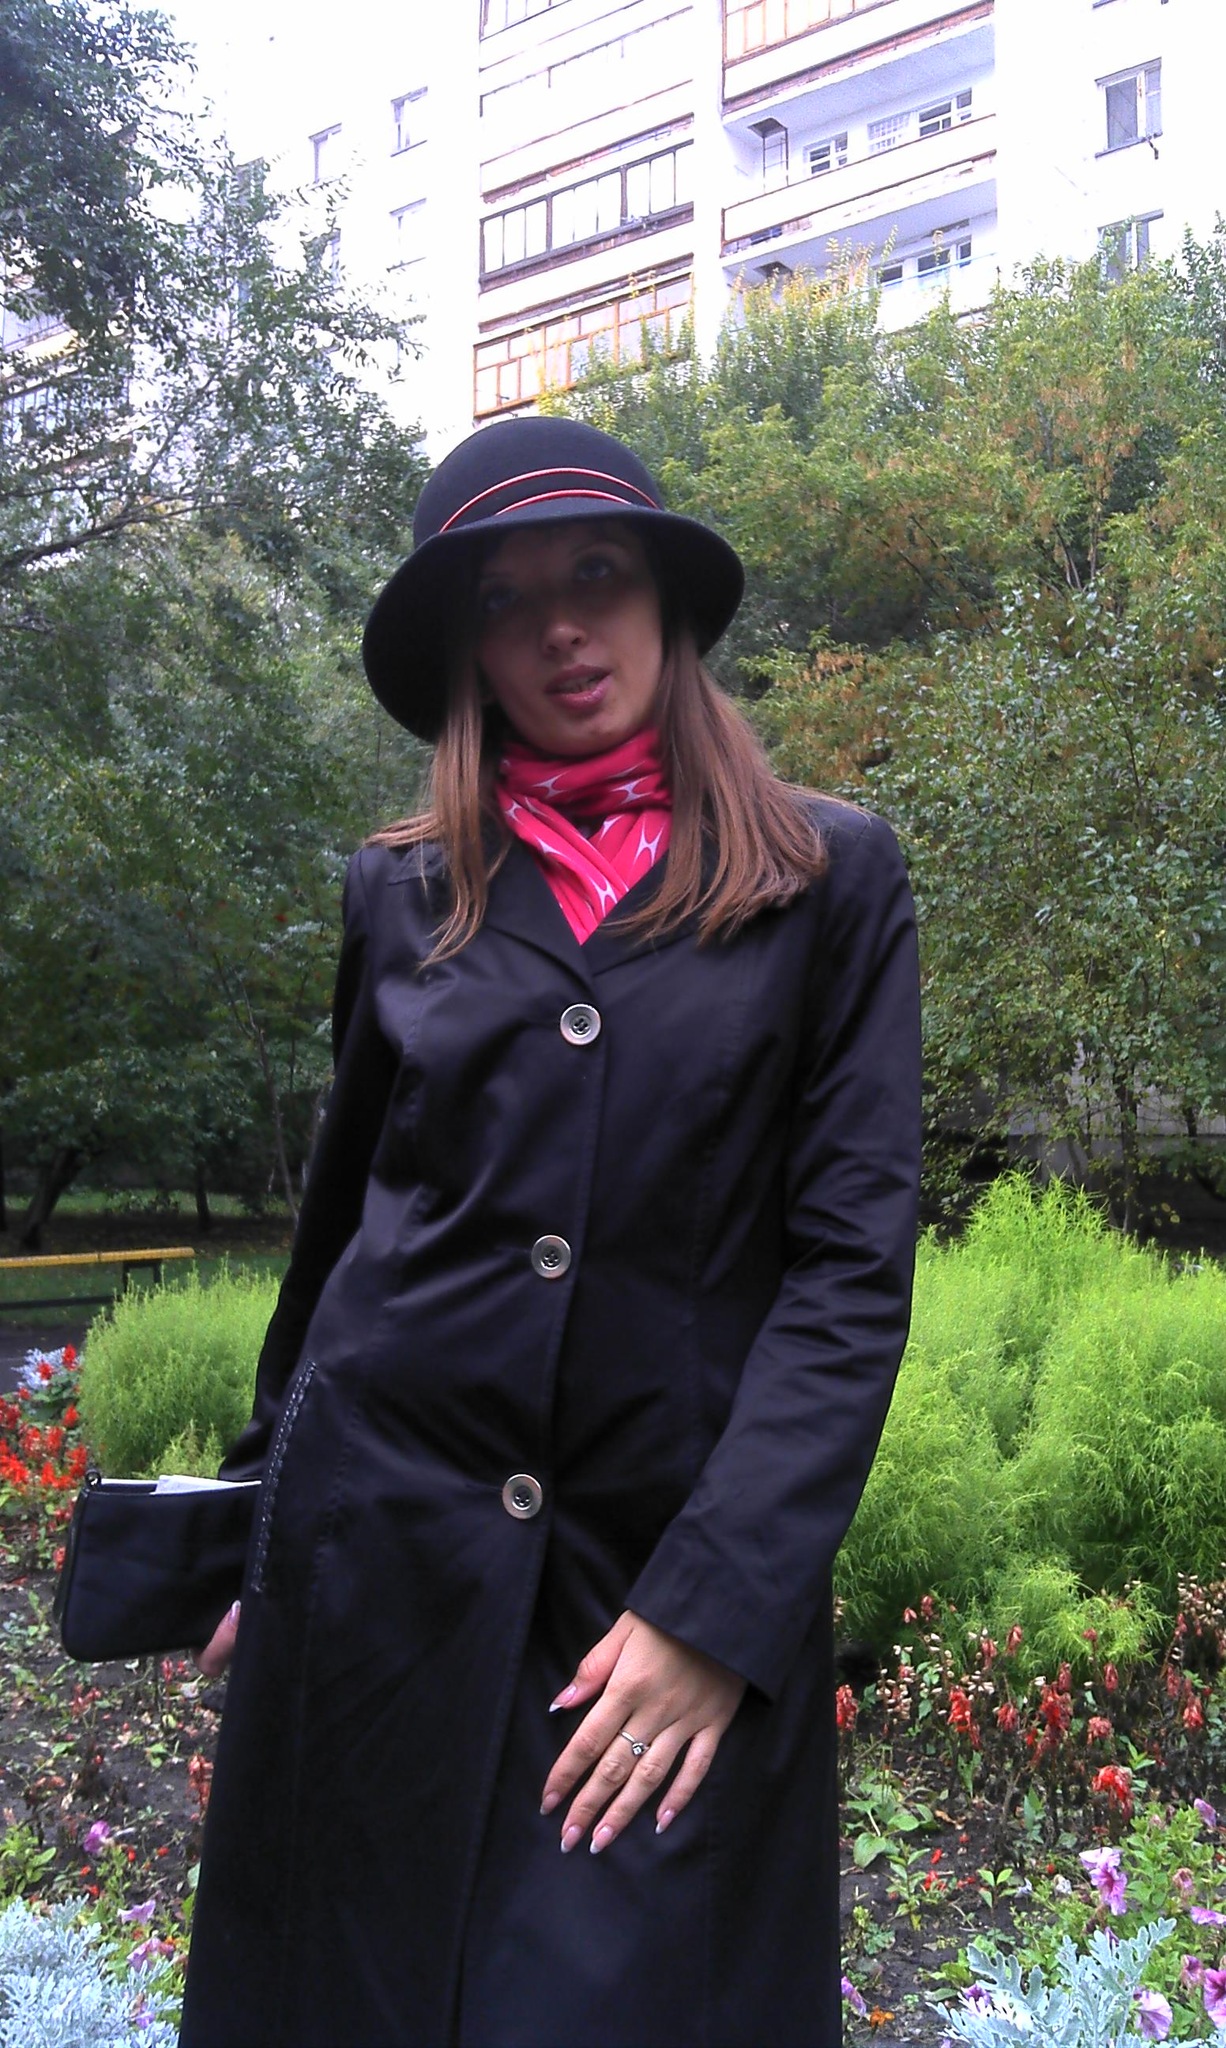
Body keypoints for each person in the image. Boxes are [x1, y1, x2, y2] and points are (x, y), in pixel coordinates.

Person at [178, 415, 921, 2048]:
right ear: (467, 650)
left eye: (594, 574)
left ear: (663, 600)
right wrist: (252, 1517)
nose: (560, 629)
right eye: (506, 600)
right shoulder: (400, 893)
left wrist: (716, 1612)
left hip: (650, 1594)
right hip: (380, 1569)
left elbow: (849, 1277)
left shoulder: (828, 882)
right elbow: (346, 1231)